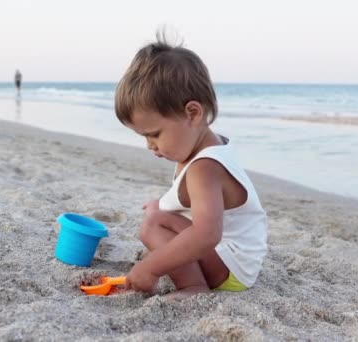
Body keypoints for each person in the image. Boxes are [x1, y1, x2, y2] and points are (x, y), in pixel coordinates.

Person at [114, 32, 268, 298]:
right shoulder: (203, 145)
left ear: (193, 114)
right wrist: (161, 205)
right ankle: (191, 278)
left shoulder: (204, 167)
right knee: (158, 215)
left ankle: (192, 287)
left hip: (231, 268)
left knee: (153, 225)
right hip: (233, 260)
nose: (150, 145)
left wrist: (150, 267)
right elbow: (194, 205)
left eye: (155, 133)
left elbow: (207, 234)